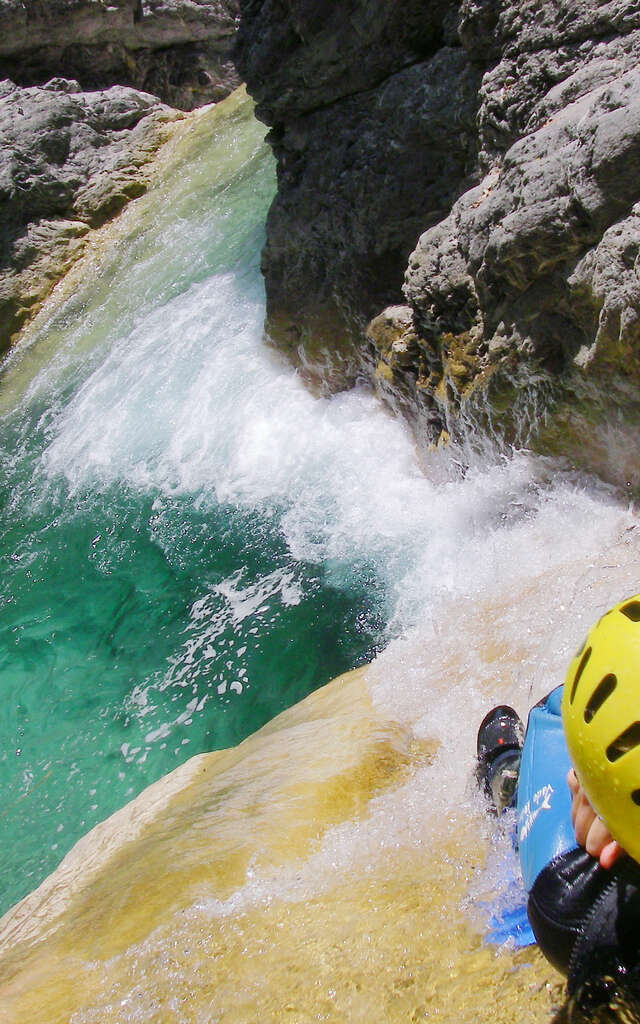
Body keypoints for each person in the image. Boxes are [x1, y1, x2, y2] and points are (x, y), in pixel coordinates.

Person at [476, 594, 640, 1021]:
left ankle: (507, 779)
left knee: (559, 711)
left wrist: (618, 815)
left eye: (581, 781)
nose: (573, 778)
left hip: (591, 908)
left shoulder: (590, 926)